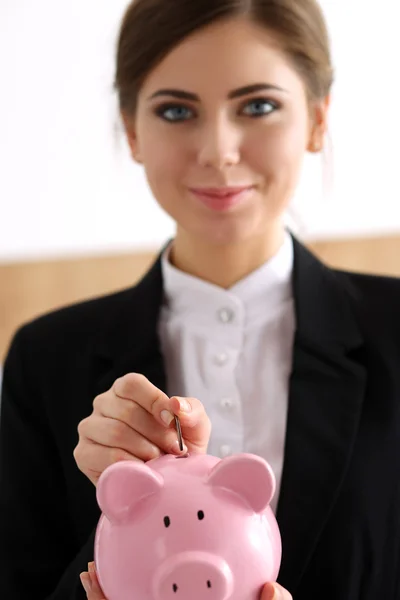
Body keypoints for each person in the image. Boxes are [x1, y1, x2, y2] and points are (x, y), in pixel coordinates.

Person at [1, 0, 400, 599]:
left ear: (318, 119)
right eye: (177, 110)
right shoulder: (45, 358)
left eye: (258, 105)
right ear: (133, 130)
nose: (218, 150)